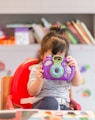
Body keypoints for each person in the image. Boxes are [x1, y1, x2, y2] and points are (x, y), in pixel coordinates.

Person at [27, 26, 82, 110]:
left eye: (59, 57)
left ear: (65, 57)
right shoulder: (38, 69)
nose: (55, 60)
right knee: (51, 102)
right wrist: (39, 80)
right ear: (41, 54)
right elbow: (32, 92)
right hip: (43, 104)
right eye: (52, 56)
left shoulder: (65, 68)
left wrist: (75, 68)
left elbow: (76, 83)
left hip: (63, 106)